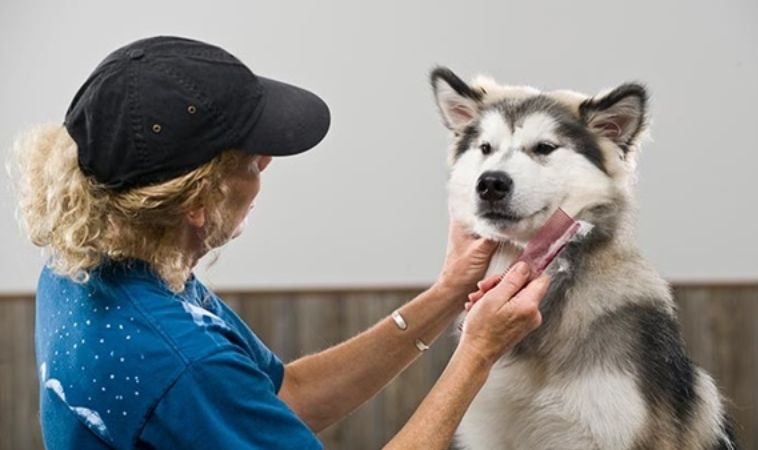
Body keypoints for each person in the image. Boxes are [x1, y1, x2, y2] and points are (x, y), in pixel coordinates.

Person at [11, 36, 549, 450]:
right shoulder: (182, 363)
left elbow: (283, 399)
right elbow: (207, 384)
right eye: (249, 157)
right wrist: (477, 351)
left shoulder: (90, 267)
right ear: (196, 203)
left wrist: (448, 292)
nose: (266, 161)